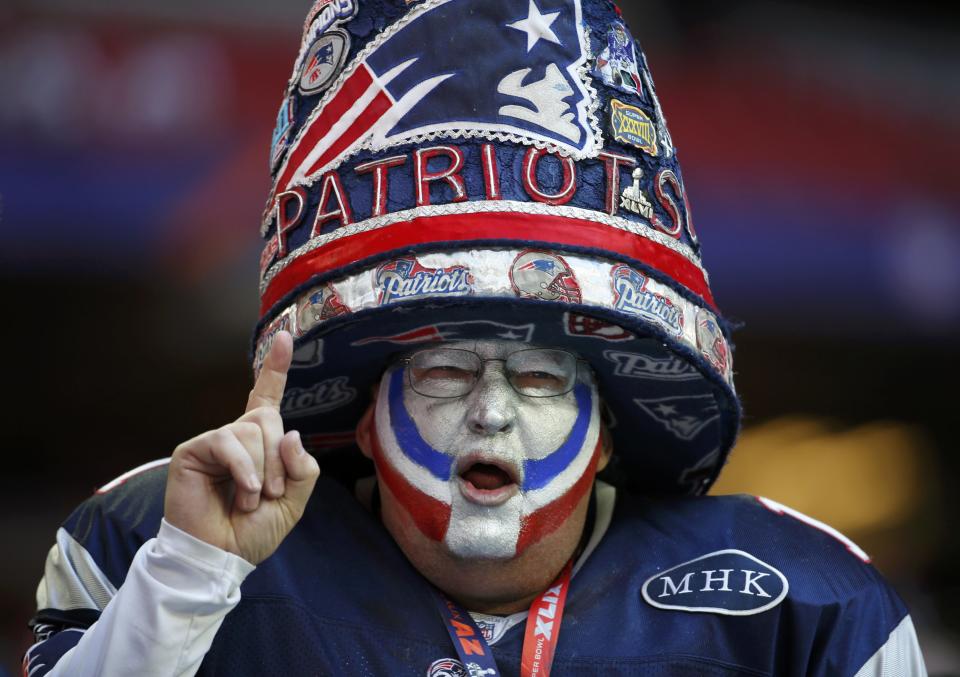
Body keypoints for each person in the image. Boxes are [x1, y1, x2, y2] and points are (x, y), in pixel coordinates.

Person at [24, 1, 927, 675]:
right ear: (366, 417)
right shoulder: (156, 539)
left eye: (540, 382)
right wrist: (186, 580)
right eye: (447, 373)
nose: (492, 413)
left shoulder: (804, 601)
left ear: (609, 427)